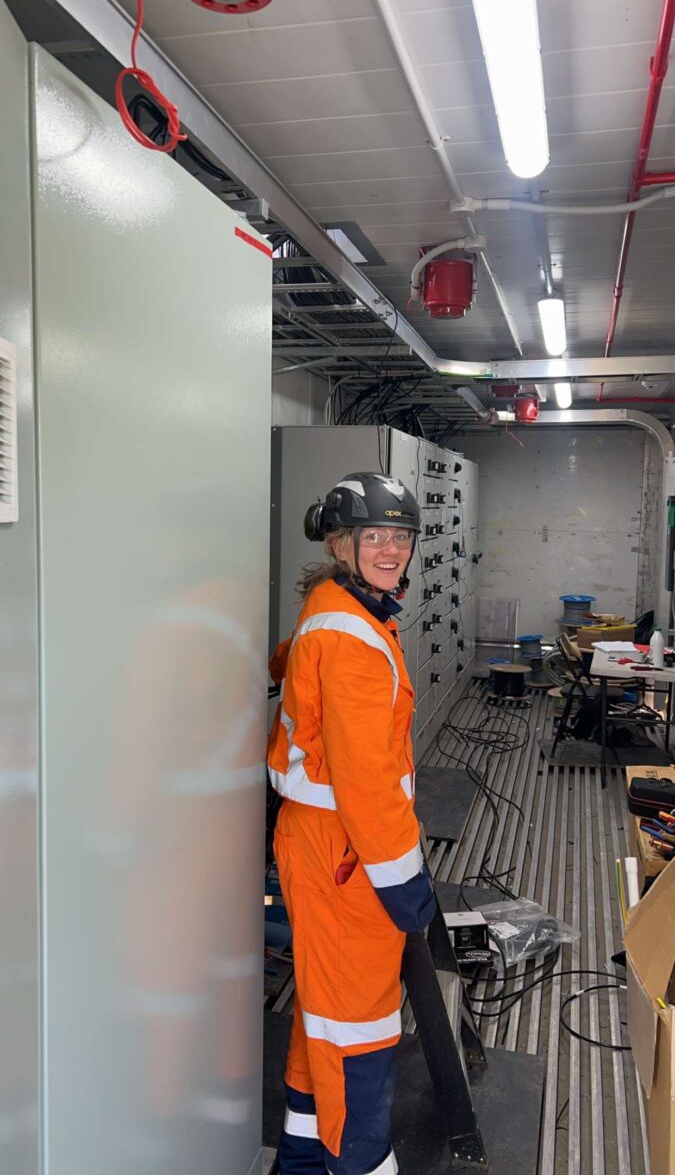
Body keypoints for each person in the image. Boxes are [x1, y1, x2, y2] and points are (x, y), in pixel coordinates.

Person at [267, 472, 436, 1175]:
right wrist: (405, 884)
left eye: (401, 536)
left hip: (325, 841)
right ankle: (360, 1161)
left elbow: (289, 664)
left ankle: (304, 1157)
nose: (392, 550)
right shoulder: (350, 637)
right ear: (342, 544)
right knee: (356, 1024)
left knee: (324, 1008)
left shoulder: (338, 608)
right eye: (375, 537)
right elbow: (366, 785)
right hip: (346, 852)